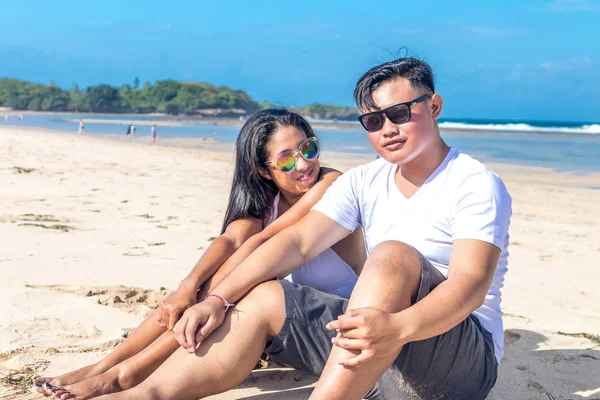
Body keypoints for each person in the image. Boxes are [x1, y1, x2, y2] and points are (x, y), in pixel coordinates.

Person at [85, 57, 511, 400]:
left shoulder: (473, 182)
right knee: (264, 294)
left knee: (392, 254)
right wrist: (216, 298)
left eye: (400, 113)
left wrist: (397, 328)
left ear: (433, 107)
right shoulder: (363, 181)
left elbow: (470, 285)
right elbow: (298, 240)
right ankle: (144, 394)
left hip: (457, 364)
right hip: (374, 351)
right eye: (374, 121)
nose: (388, 129)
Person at [34, 109, 366, 399]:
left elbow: (268, 241)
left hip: (332, 317)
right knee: (207, 286)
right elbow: (232, 240)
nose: (304, 163)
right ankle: (108, 365)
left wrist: (214, 292)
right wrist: (187, 286)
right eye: (287, 159)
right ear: (264, 170)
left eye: (309, 148)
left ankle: (127, 374)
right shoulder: (270, 202)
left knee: (234, 280)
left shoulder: (332, 183)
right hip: (290, 322)